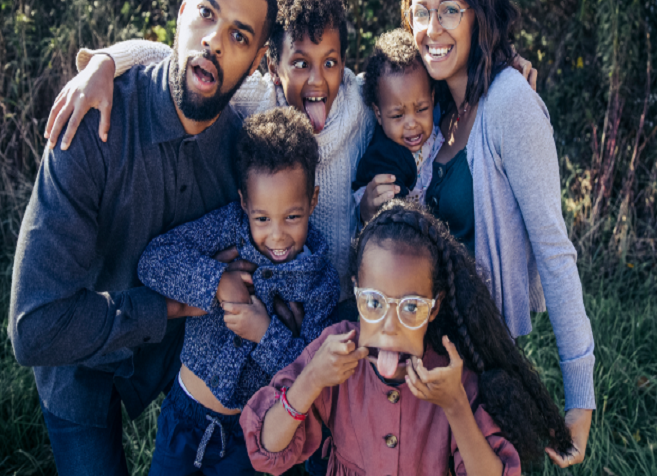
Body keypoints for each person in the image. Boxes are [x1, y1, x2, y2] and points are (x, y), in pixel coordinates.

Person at [7, 0, 278, 476]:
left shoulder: (242, 153)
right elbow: (34, 327)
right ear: (181, 12)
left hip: (179, 355)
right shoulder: (91, 124)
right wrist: (170, 305)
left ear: (256, 61)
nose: (214, 41)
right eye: (206, 14)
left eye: (239, 36)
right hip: (77, 358)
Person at [361, 0, 596, 467]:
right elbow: (360, 88)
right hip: (422, 353)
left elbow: (554, 251)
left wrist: (580, 398)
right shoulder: (436, 106)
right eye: (421, 12)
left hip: (481, 356)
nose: (432, 28)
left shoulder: (510, 103)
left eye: (450, 9)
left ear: (479, 15)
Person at [45, 0, 376, 304]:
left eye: (330, 63)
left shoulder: (360, 103)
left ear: (344, 63)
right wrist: (105, 62)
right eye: (301, 64)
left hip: (344, 301)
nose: (317, 79)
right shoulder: (259, 99)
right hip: (273, 301)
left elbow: (402, 82)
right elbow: (172, 56)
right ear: (272, 67)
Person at [240, 201, 574, 476]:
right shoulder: (334, 353)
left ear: (434, 307)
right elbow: (268, 448)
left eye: (411, 307)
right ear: (356, 292)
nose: (389, 326)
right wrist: (311, 380)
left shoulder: (451, 376)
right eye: (374, 302)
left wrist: (455, 406)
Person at [137, 107, 340, 475]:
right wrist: (217, 280)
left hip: (249, 437)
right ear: (245, 201)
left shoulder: (320, 282)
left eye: (292, 217)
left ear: (313, 200)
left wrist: (266, 333)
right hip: (183, 415)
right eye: (262, 218)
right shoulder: (229, 227)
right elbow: (154, 259)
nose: (277, 236)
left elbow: (310, 378)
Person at [352, 28, 443, 205]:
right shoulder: (385, 157)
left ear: (432, 99)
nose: (411, 124)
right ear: (378, 114)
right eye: (398, 115)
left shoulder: (442, 130)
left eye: (421, 109)